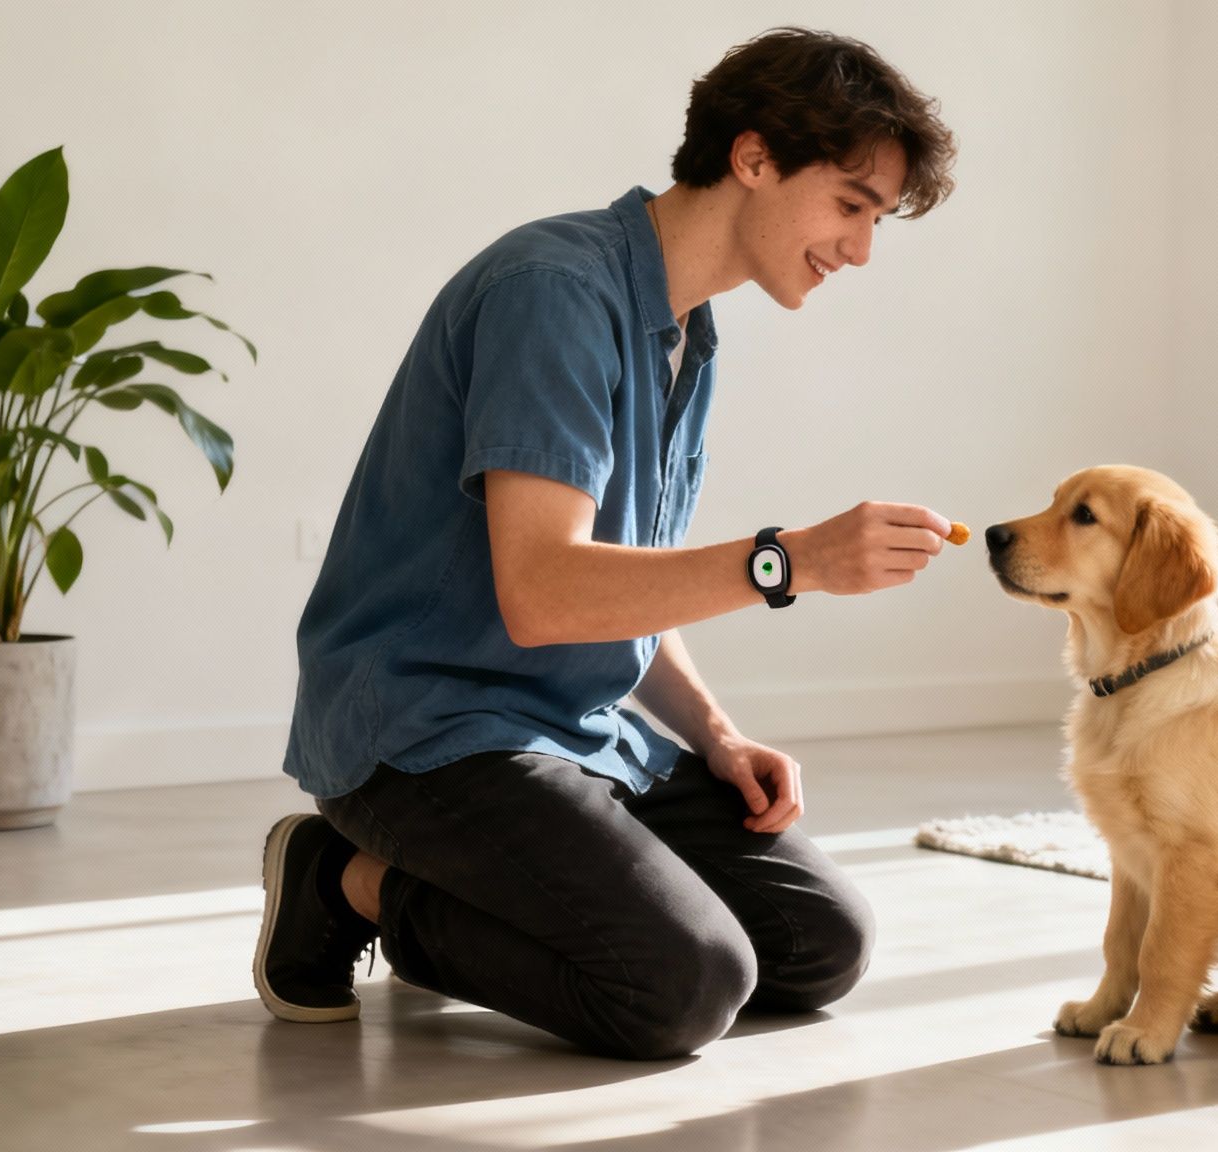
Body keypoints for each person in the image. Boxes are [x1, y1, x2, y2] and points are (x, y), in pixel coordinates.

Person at [252, 26, 958, 1059]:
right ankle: (347, 878)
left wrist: (716, 736)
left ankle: (469, 892)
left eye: (875, 220)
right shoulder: (555, 292)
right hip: (427, 733)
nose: (858, 249)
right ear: (752, 158)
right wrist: (789, 562)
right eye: (850, 206)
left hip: (571, 728)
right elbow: (544, 591)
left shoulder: (687, 334)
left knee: (817, 946)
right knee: (681, 986)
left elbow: (624, 580)